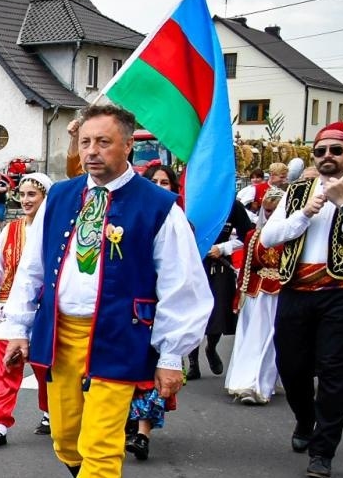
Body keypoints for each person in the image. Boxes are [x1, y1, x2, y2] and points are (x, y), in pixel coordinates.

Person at [4, 103, 211, 478]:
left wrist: (173, 354)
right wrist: (19, 325)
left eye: (103, 142)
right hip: (61, 333)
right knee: (65, 439)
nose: (92, 152)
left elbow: (182, 286)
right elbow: (32, 268)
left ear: (127, 145)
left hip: (121, 336)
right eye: (85, 143)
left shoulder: (158, 206)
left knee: (101, 444)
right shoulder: (60, 197)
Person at [259, 120, 343, 478]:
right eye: (321, 150)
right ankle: (304, 417)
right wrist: (305, 213)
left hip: (340, 295)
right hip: (296, 291)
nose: (327, 156)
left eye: (336, 150)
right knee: (291, 366)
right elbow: (267, 238)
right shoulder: (298, 192)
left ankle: (322, 452)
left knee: (334, 373)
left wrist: (342, 206)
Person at [0, 173, 52, 446]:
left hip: (45, 308)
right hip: (11, 306)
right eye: (23, 194)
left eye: (33, 194)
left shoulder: (56, 228)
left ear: (45, 198)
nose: (27, 200)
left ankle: (50, 411)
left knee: (46, 367)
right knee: (6, 365)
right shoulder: (11, 229)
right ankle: (0, 424)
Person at [122, 164, 185, 462]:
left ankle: (143, 434)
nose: (161, 186)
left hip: (164, 311)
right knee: (126, 371)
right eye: (155, 181)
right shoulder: (132, 218)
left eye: (166, 182)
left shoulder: (178, 221)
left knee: (153, 375)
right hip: (131, 309)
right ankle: (125, 424)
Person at [226, 185, 285, 405]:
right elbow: (248, 266)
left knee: (272, 339)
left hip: (280, 295)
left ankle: (262, 384)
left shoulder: (293, 235)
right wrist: (239, 294)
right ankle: (246, 383)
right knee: (251, 338)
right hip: (255, 295)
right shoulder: (254, 235)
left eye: (274, 211)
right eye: (267, 211)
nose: (270, 216)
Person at [189, 188, 253, 381]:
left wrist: (223, 248)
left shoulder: (233, 206)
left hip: (220, 265)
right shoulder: (192, 202)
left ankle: (211, 347)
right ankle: (193, 362)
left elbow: (248, 236)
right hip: (194, 263)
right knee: (193, 314)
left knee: (217, 313)